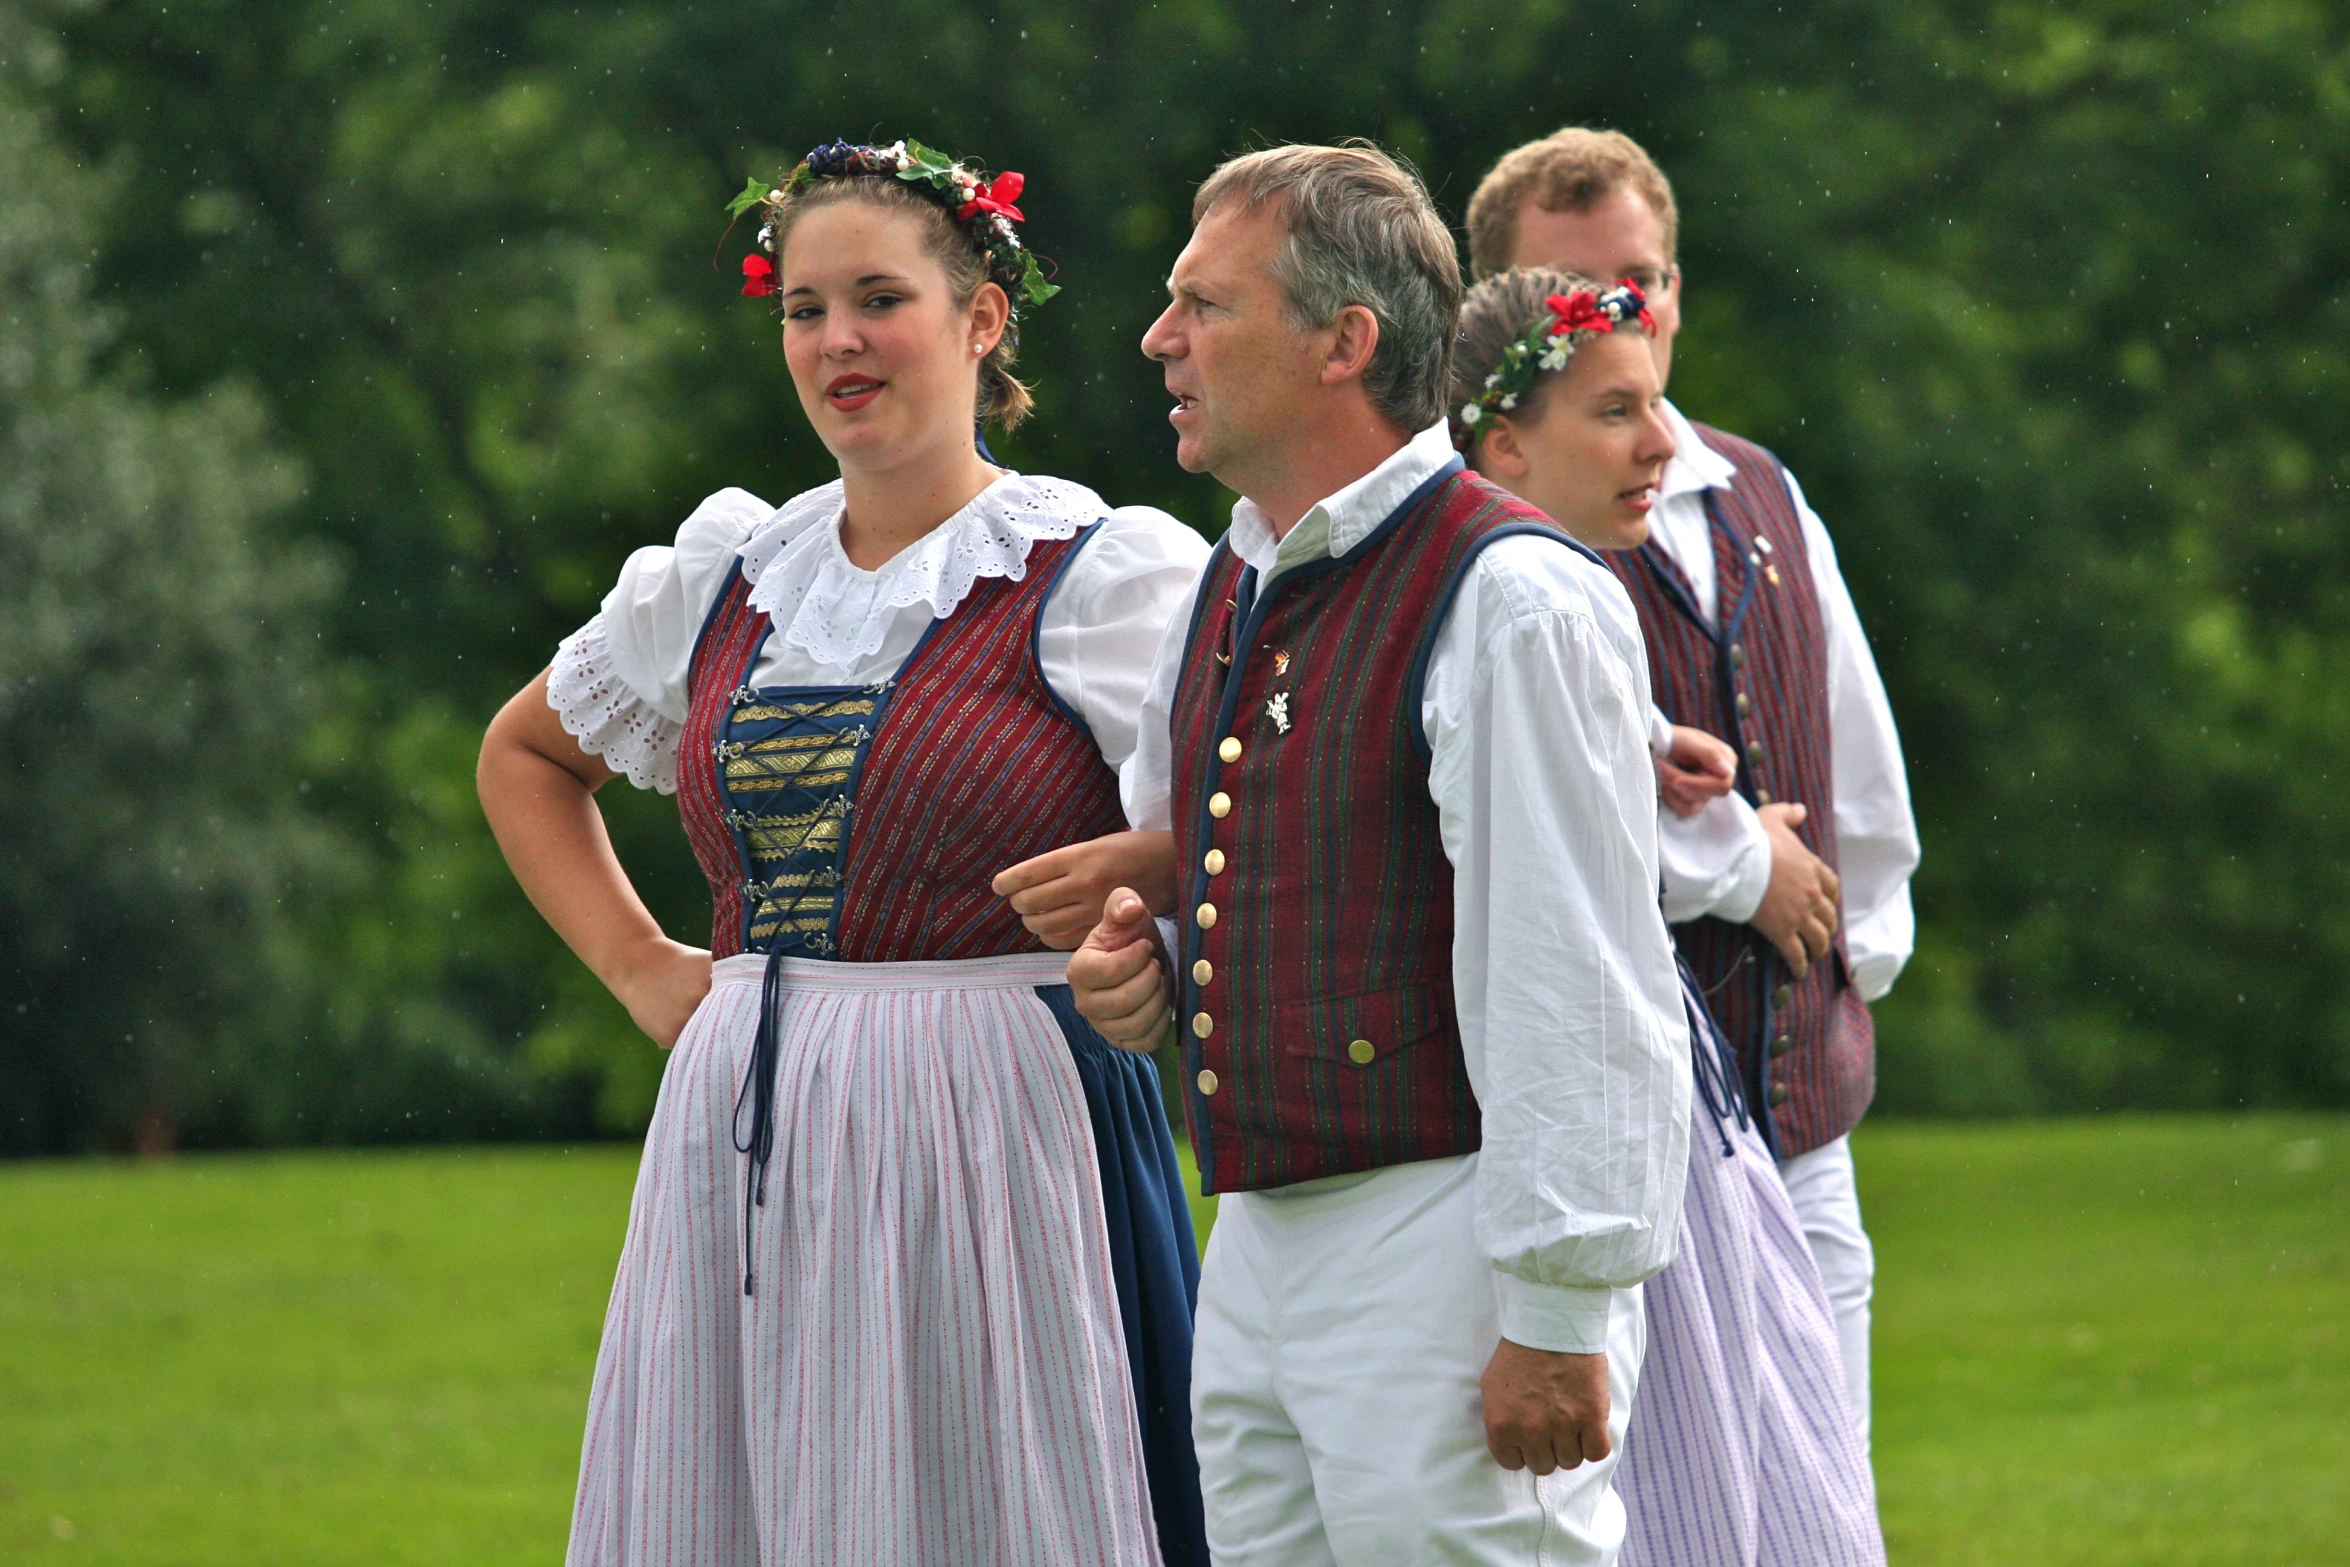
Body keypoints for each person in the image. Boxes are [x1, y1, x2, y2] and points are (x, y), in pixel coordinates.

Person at [476, 137, 1210, 1567]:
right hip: (744, 1127)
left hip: (998, 1127)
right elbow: (526, 754)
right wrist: (641, 967)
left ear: (980, 316)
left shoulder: (1098, 569)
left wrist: (1148, 903)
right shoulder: (732, 572)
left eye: (879, 298)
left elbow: (1259, 810)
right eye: (804, 309)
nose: (837, 341)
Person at [1071, 141, 1691, 1567]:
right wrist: (1154, 969)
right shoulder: (1232, 577)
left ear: (1343, 341)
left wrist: (1553, 1311)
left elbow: (1576, 972)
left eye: (1203, 306)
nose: (1160, 339)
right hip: (1265, 1236)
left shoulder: (1514, 594)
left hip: (1452, 1236)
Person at [1466, 127, 1922, 1443]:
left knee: (1824, 1491)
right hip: (1608, 1143)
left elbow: (1858, 759)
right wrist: (1735, 862)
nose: (1624, 311)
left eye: (1641, 278)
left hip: (1803, 1108)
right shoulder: (1483, 532)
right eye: (1575, 288)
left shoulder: (1764, 495)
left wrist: (1849, 970)